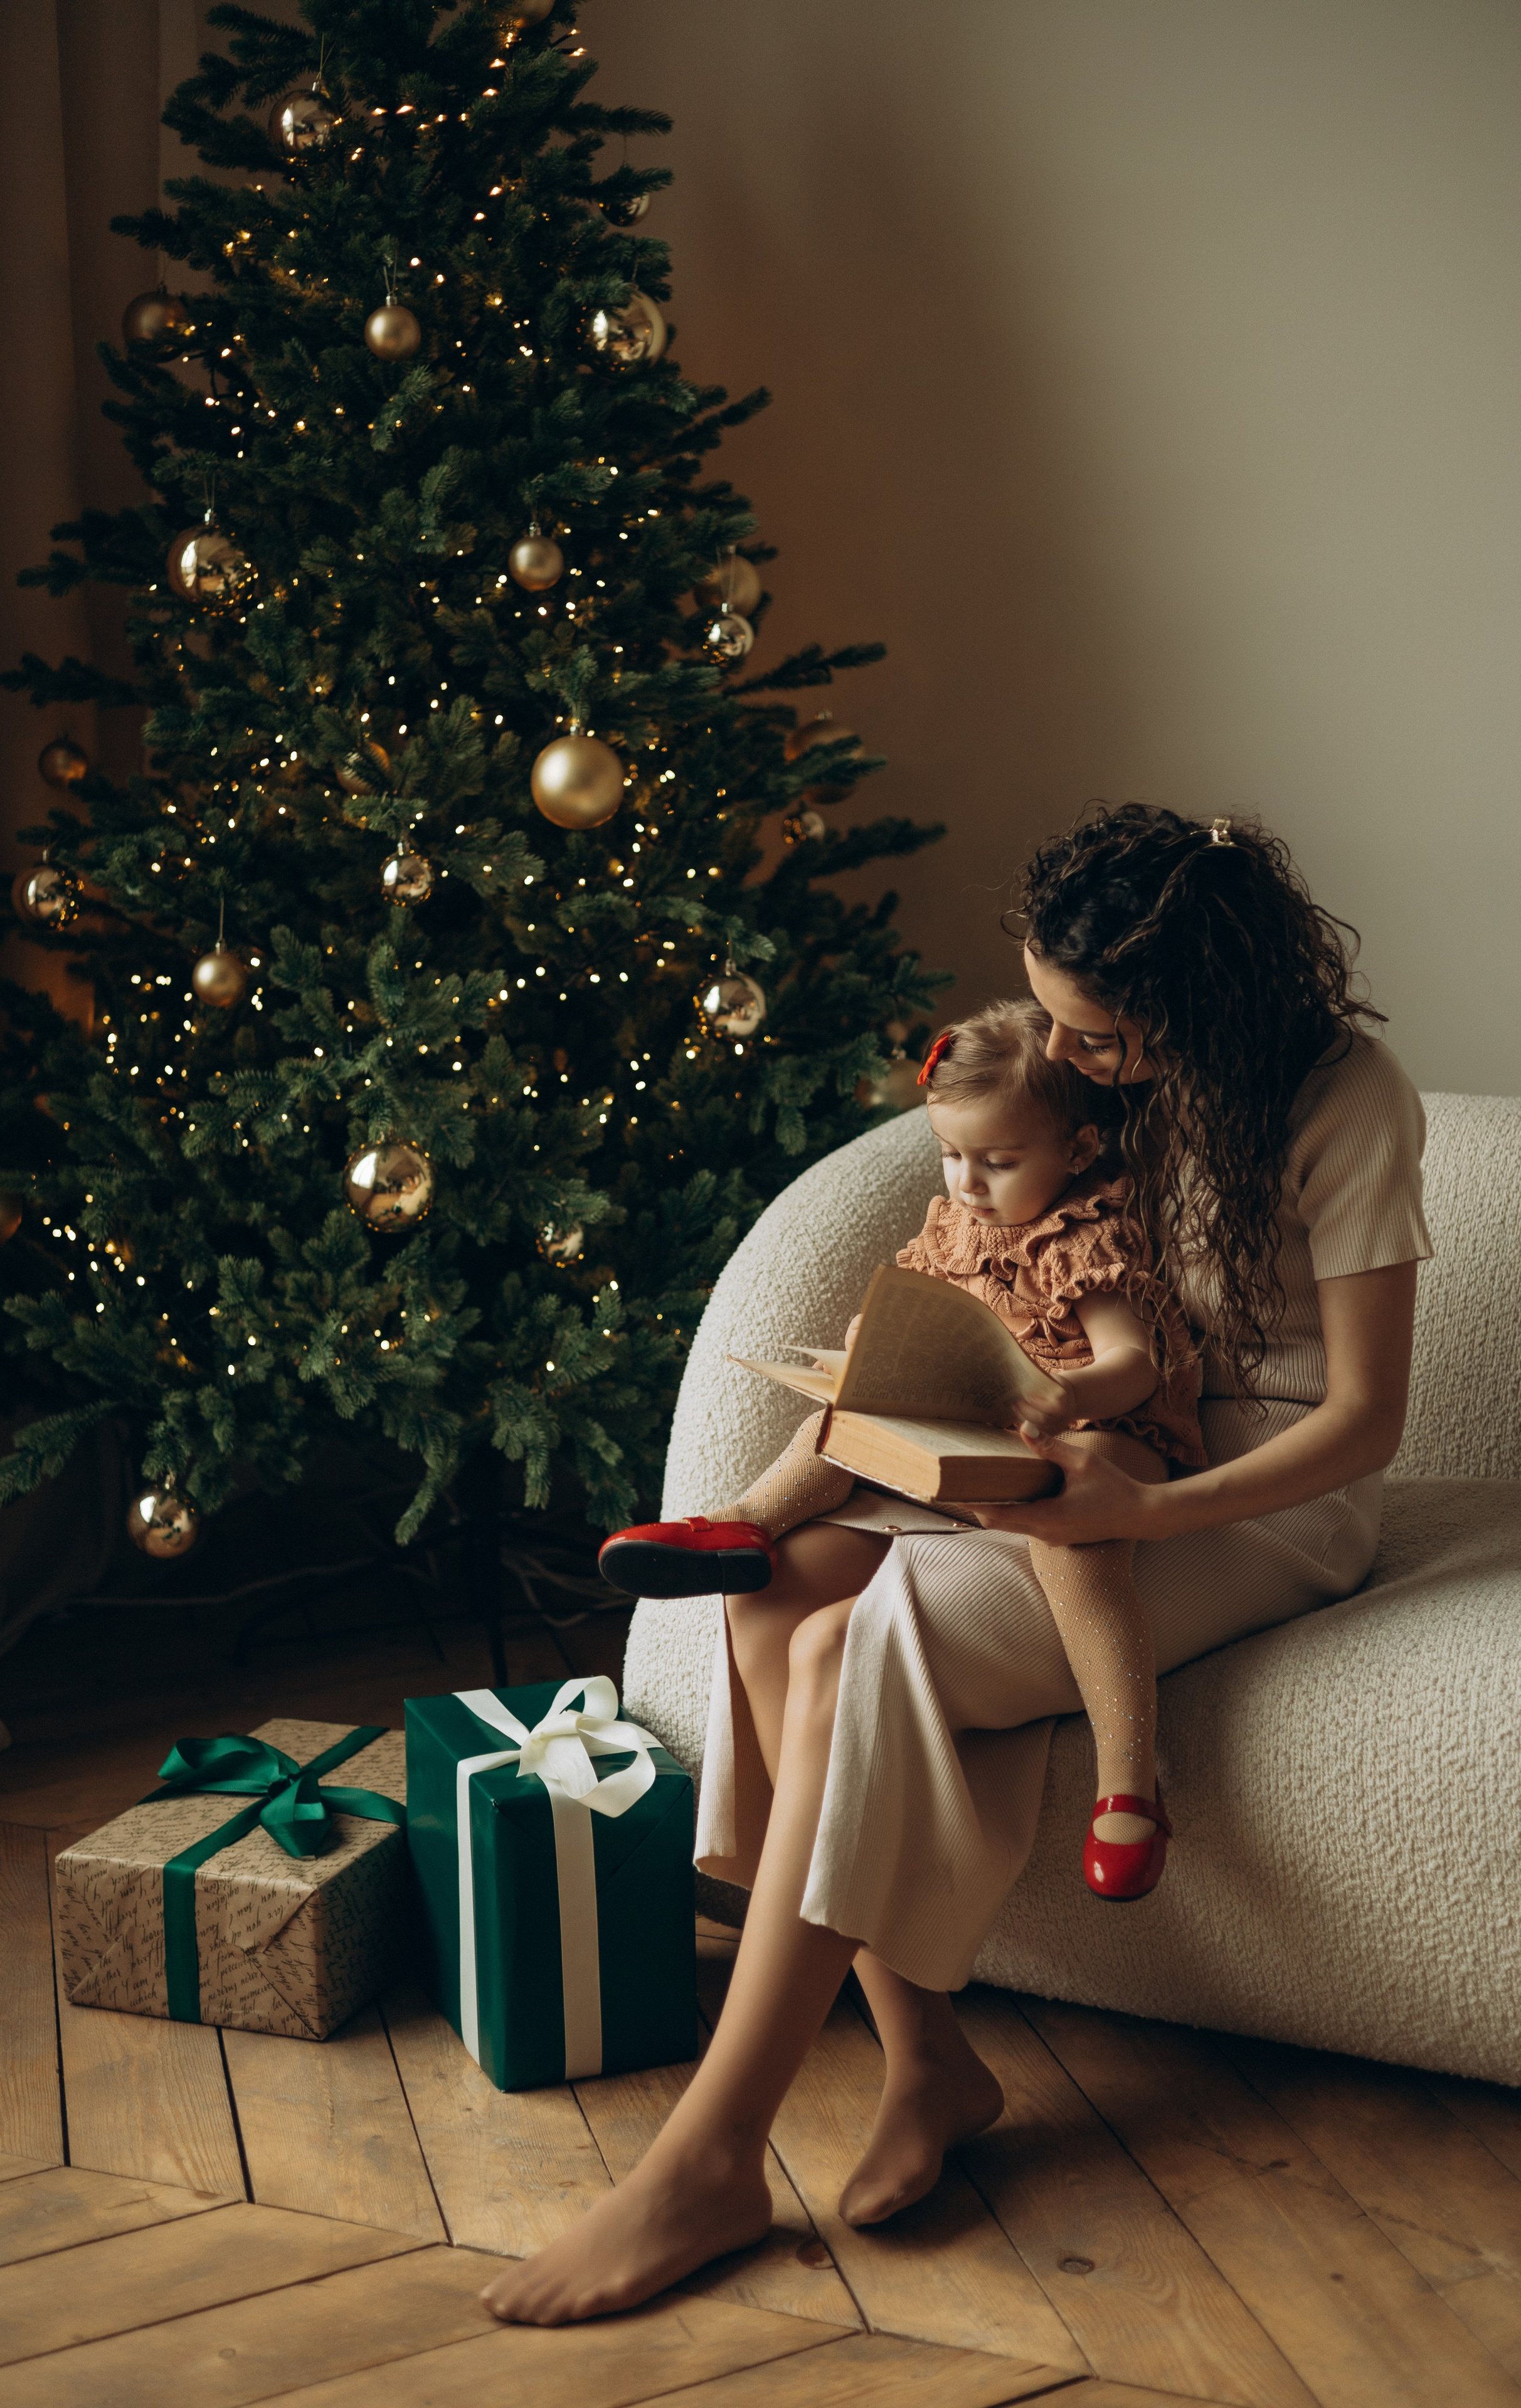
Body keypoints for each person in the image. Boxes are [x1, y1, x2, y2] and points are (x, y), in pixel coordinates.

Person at [482, 803, 1430, 2327]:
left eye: (1099, 1038)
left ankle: (712, 2152)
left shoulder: (1344, 1099)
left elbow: (1360, 1423)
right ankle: (925, 2057)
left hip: (1244, 1493)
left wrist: (1139, 1517)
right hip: (1052, 1432)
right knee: (781, 1592)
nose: (1070, 1062)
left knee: (866, 1639)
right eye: (1052, 1021)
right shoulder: (1092, 1077)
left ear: (1201, 1007)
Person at [602, 997, 1209, 1901]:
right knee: (833, 1431)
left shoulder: (1087, 1233)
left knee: (1076, 1552)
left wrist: (1071, 1393)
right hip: (976, 1437)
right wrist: (879, 1350)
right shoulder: (956, 1223)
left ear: (1076, 1151)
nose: (968, 1182)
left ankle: (1129, 1784)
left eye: (998, 1163)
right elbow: (918, 1305)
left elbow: (1133, 1361)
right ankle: (741, 1526)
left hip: (1101, 1442)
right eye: (952, 1155)